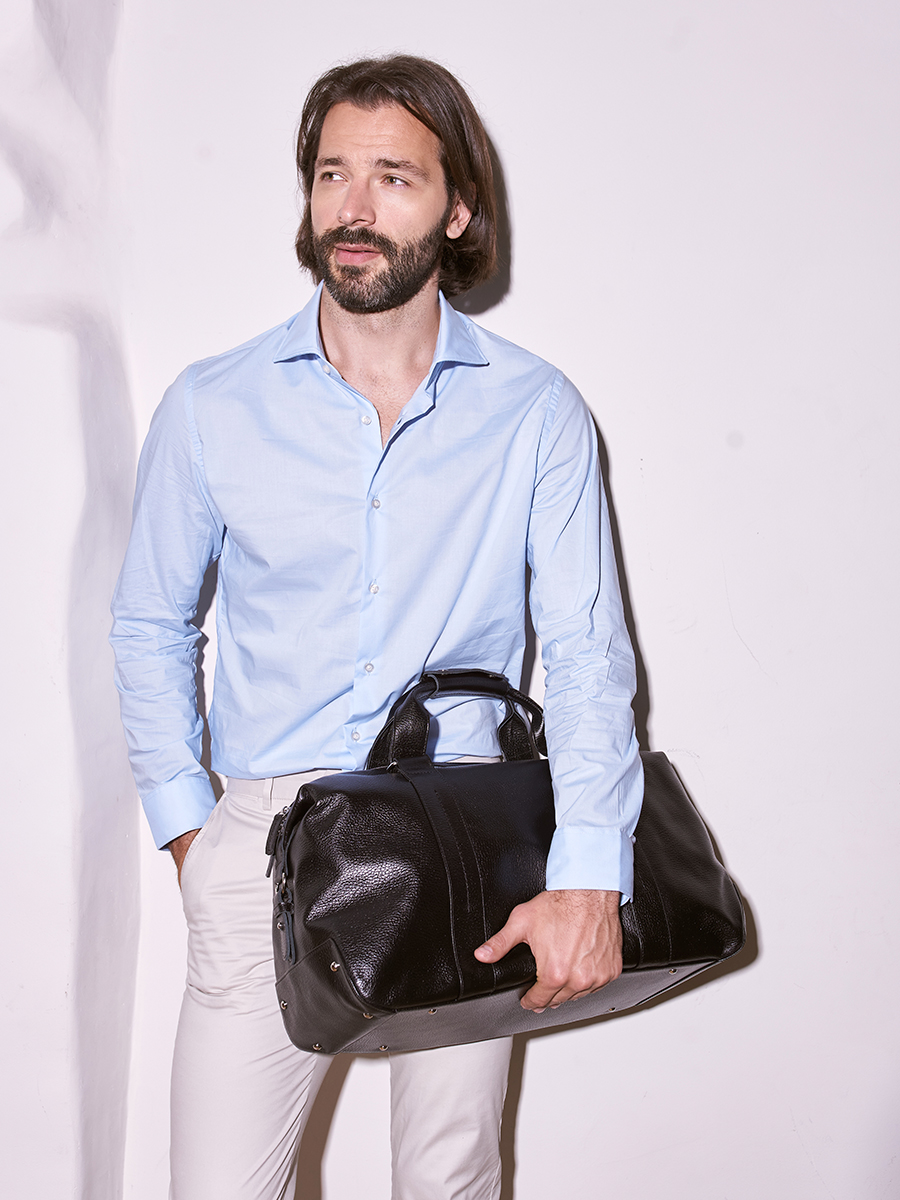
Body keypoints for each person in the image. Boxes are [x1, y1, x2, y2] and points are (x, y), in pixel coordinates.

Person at [110, 54, 643, 1200]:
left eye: (393, 177)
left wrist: (590, 874)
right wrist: (191, 830)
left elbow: (588, 654)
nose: (352, 208)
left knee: (449, 1180)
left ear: (456, 211)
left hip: (466, 840)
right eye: (332, 174)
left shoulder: (534, 411)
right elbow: (150, 621)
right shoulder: (212, 405)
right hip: (263, 843)